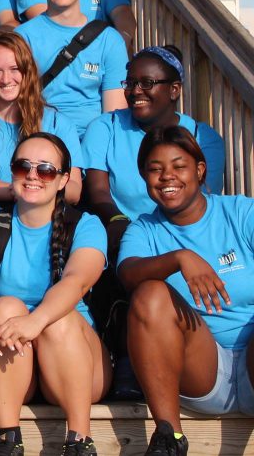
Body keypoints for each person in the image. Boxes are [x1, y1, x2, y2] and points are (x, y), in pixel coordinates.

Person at [0, 132, 112, 456]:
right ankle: (8, 440)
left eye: (45, 170)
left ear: (62, 181)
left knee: (59, 318)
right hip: (13, 367)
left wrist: (37, 321)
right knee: (3, 308)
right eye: (23, 166)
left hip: (75, 365)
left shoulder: (86, 225)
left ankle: (79, 441)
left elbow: (76, 282)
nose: (32, 175)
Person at [119, 126, 254, 455]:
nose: (167, 177)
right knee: (149, 293)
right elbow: (127, 274)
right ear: (144, 176)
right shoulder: (143, 229)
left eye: (178, 166)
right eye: (155, 169)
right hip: (201, 371)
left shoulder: (241, 212)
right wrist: (180, 258)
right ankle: (169, 439)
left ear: (199, 169)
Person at [83, 45, 226, 255]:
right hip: (123, 236)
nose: (135, 91)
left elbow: (203, 196)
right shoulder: (105, 127)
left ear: (174, 89)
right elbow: (98, 191)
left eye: (147, 83)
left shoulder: (203, 137)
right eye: (130, 83)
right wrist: (119, 221)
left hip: (185, 238)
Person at [0, 32, 83, 209]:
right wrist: (25, 190)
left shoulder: (58, 123)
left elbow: (74, 189)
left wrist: (31, 192)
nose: (6, 80)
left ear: (27, 71)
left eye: (15, 69)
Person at [15, 0, 129, 139]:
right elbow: (14, 106)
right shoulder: (22, 38)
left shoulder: (110, 40)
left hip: (91, 145)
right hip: (40, 142)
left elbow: (113, 117)